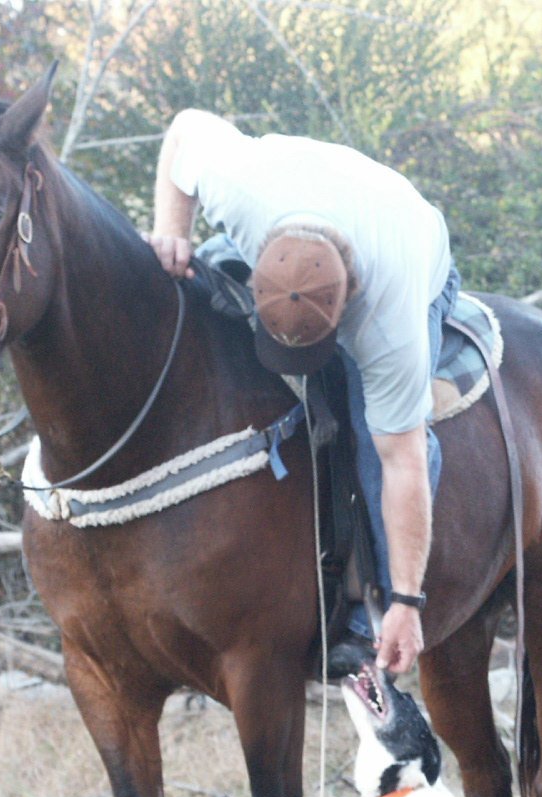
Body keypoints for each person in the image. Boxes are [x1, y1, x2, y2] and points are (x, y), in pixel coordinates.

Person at [143, 109, 458, 677]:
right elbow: (187, 127)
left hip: (412, 235)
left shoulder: (389, 319)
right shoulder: (238, 188)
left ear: (348, 311)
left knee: (373, 437)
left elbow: (402, 462)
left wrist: (408, 602)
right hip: (297, 207)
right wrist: (173, 232)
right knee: (200, 283)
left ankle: (371, 617)